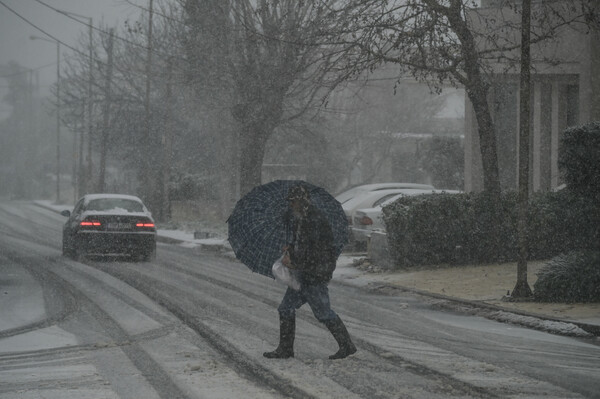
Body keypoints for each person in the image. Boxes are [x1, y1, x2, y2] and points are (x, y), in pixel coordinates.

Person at [263, 184, 357, 360]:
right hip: (304, 274)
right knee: (286, 308)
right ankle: (285, 349)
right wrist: (290, 249)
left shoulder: (314, 219)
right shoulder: (302, 218)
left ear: (301, 201)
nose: (291, 205)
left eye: (293, 201)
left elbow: (315, 251)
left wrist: (294, 261)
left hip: (314, 275)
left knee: (323, 312)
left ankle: (347, 345)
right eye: (290, 201)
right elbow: (303, 246)